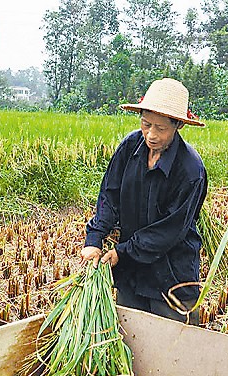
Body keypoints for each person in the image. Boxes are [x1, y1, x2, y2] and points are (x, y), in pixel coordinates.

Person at [81, 78, 207, 324]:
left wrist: (122, 252)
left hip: (171, 277)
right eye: (146, 124)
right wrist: (94, 239)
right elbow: (110, 195)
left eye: (161, 128)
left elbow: (169, 231)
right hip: (132, 272)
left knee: (173, 349)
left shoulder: (191, 170)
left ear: (178, 125)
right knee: (131, 340)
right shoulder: (130, 147)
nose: (151, 135)